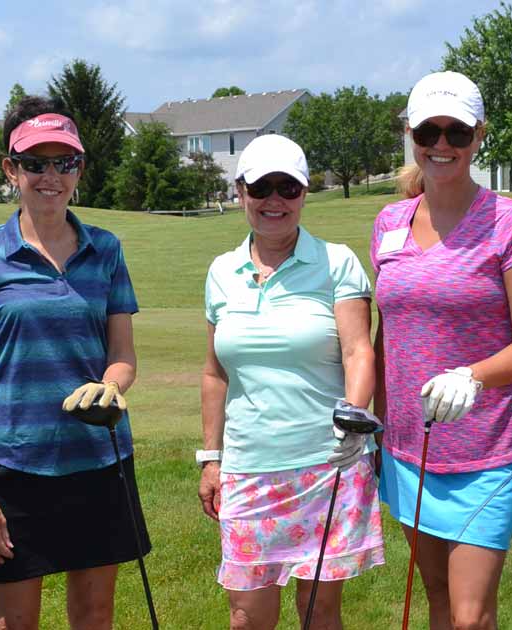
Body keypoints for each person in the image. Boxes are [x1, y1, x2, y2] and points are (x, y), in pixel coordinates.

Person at [0, 96, 148, 630]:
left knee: (94, 615)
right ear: (11, 169)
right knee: (14, 623)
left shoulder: (105, 250)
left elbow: (122, 356)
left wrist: (110, 385)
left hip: (99, 461)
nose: (51, 176)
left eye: (65, 162)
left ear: (80, 168)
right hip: (16, 467)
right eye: (36, 163)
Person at [372, 71, 512, 630]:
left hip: (487, 448)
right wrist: (369, 424)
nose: (442, 144)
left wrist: (470, 376)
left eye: (456, 131)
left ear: (478, 136)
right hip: (408, 447)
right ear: (411, 134)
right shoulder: (389, 222)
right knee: (438, 599)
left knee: (471, 616)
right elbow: (387, 334)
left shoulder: (511, 222)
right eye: (430, 130)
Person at [198, 134, 384, 630]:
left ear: (303, 193)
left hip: (327, 464)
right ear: (241, 193)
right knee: (246, 616)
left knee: (318, 613)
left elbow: (357, 350)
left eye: (288, 188)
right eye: (262, 188)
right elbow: (215, 371)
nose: (274, 200)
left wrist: (354, 423)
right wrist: (211, 459)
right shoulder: (221, 272)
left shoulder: (337, 261)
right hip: (248, 467)